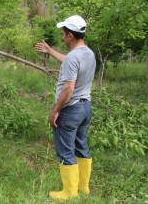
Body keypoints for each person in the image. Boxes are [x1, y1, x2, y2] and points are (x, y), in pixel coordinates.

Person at [34, 15, 96, 200]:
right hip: (85, 108)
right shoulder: (88, 53)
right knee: (81, 147)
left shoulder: (73, 58)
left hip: (71, 110)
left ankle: (69, 192)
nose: (62, 36)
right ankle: (83, 188)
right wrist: (50, 51)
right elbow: (69, 61)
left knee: (65, 150)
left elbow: (68, 88)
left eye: (63, 33)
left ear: (70, 36)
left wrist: (55, 111)